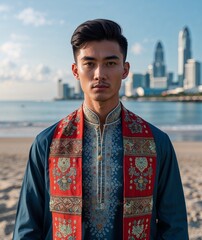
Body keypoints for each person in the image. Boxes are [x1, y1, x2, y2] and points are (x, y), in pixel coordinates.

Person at [13, 19, 188, 240]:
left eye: (110, 63)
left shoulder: (157, 143)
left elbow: (174, 227)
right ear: (76, 71)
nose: (99, 74)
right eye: (89, 63)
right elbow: (27, 227)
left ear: (125, 70)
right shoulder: (47, 143)